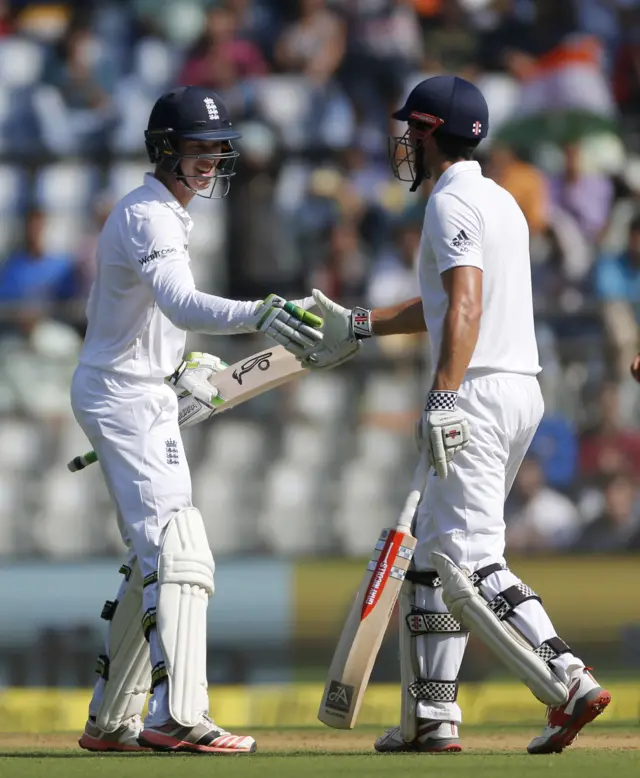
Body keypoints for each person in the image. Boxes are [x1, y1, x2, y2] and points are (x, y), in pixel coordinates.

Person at [302, 75, 611, 755]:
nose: (405, 140)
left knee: (468, 560)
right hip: (513, 387)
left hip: (474, 392)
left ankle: (568, 680)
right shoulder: (496, 200)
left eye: (413, 128)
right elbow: (442, 306)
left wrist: (443, 395)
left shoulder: (452, 205)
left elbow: (465, 307)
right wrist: (358, 323)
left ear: (435, 130)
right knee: (430, 561)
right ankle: (430, 718)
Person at [71, 86, 321, 755]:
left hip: (137, 389)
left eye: (217, 147)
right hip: (124, 396)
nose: (211, 158)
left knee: (154, 553)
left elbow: (151, 318)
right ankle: (177, 715)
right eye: (198, 146)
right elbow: (181, 302)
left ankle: (111, 720)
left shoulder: (163, 213)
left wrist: (175, 366)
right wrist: (259, 313)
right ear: (164, 149)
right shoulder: (150, 216)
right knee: (178, 548)